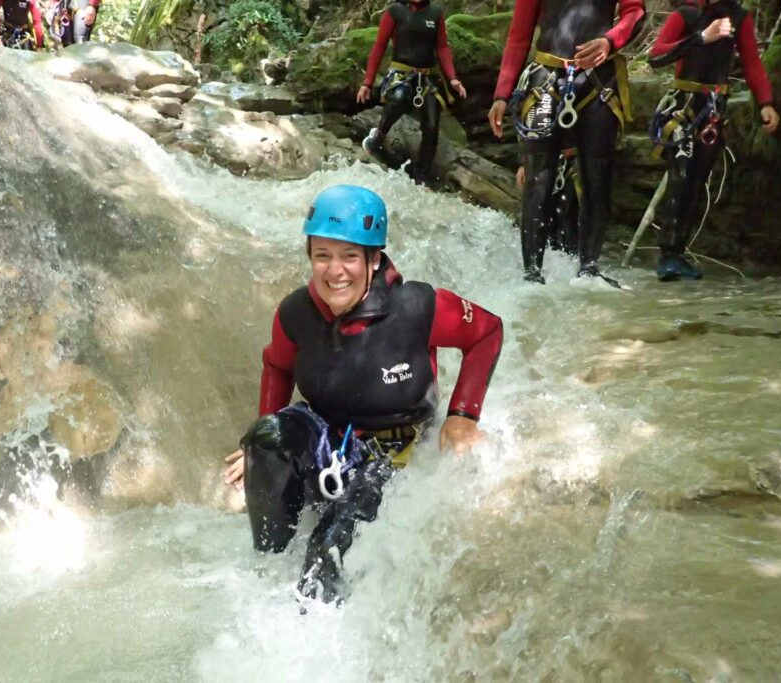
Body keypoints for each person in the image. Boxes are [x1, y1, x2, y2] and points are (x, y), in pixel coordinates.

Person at [222, 185, 503, 605]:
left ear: (374, 259)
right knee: (262, 440)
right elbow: (277, 365)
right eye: (322, 256)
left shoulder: (419, 307)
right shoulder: (295, 314)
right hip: (327, 438)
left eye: (349, 256)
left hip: (393, 451)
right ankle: (267, 569)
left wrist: (463, 414)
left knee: (327, 548)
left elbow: (486, 331)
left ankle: (312, 628)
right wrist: (266, 445)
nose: (335, 271)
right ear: (310, 257)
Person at [487, 0, 645, 285]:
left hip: (599, 80)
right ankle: (532, 273)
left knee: (597, 176)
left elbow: (635, 12)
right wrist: (502, 94)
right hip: (544, 78)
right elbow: (519, 35)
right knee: (538, 178)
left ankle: (589, 268)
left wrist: (609, 41)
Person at [648, 0, 779, 281]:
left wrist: (766, 102)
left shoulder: (739, 18)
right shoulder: (686, 14)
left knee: (696, 180)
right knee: (680, 176)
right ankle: (668, 254)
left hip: (713, 112)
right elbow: (655, 55)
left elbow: (752, 62)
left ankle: (678, 252)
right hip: (682, 108)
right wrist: (700, 38)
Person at [356, 0, 469, 185]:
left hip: (426, 77)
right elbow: (379, 45)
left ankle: (421, 176)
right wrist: (367, 83)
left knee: (432, 124)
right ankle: (379, 135)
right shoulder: (395, 11)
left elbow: (442, 47)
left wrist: (453, 78)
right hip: (400, 74)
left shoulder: (435, 13)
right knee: (398, 98)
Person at [516, 146, 580, 255]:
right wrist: (525, 163)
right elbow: (530, 132)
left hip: (580, 159)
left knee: (567, 211)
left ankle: (575, 258)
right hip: (545, 154)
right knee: (541, 212)